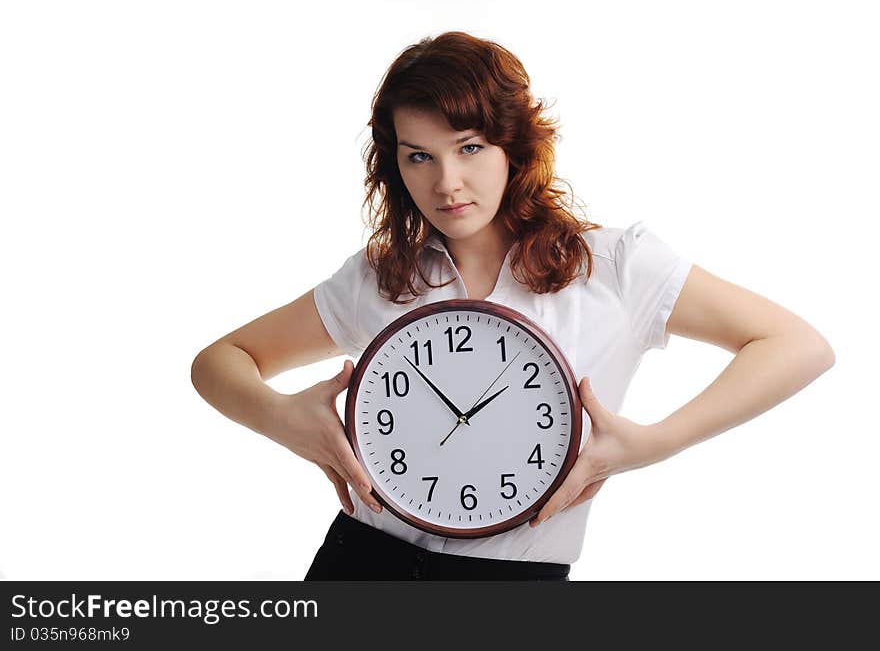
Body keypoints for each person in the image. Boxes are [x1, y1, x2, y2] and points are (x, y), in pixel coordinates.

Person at [190, 31, 835, 581]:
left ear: (513, 146)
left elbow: (797, 346)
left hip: (512, 587)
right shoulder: (382, 277)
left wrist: (652, 444)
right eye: (420, 156)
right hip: (360, 565)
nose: (446, 183)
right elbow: (219, 360)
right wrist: (284, 420)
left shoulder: (612, 268)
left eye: (469, 147)